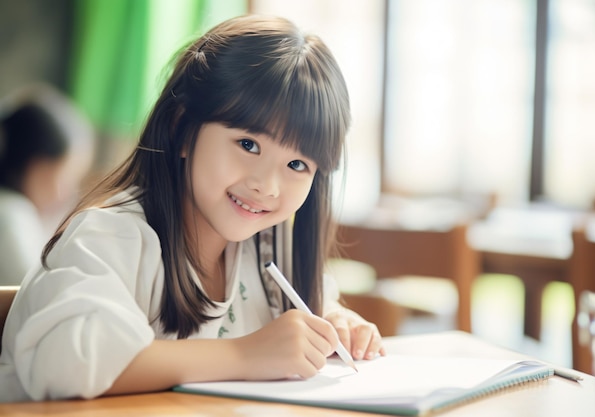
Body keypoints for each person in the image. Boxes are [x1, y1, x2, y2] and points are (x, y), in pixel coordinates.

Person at [0, 14, 384, 402]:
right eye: (248, 144)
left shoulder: (268, 251)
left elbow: (313, 309)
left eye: (297, 165)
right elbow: (68, 364)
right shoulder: (110, 234)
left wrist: (336, 320)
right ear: (182, 129)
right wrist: (244, 354)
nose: (266, 186)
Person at [0, 84, 94, 285]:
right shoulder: (11, 215)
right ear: (36, 169)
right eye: (65, 177)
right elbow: (40, 291)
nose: (69, 193)